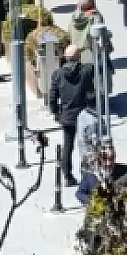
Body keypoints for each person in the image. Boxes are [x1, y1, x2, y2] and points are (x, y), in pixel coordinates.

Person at [48, 44, 95, 187]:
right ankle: (86, 175)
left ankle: (68, 176)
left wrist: (56, 112)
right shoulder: (86, 71)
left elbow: (52, 96)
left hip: (67, 116)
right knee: (86, 146)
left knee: (68, 146)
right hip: (83, 115)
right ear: (78, 57)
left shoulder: (57, 74)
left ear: (65, 58)